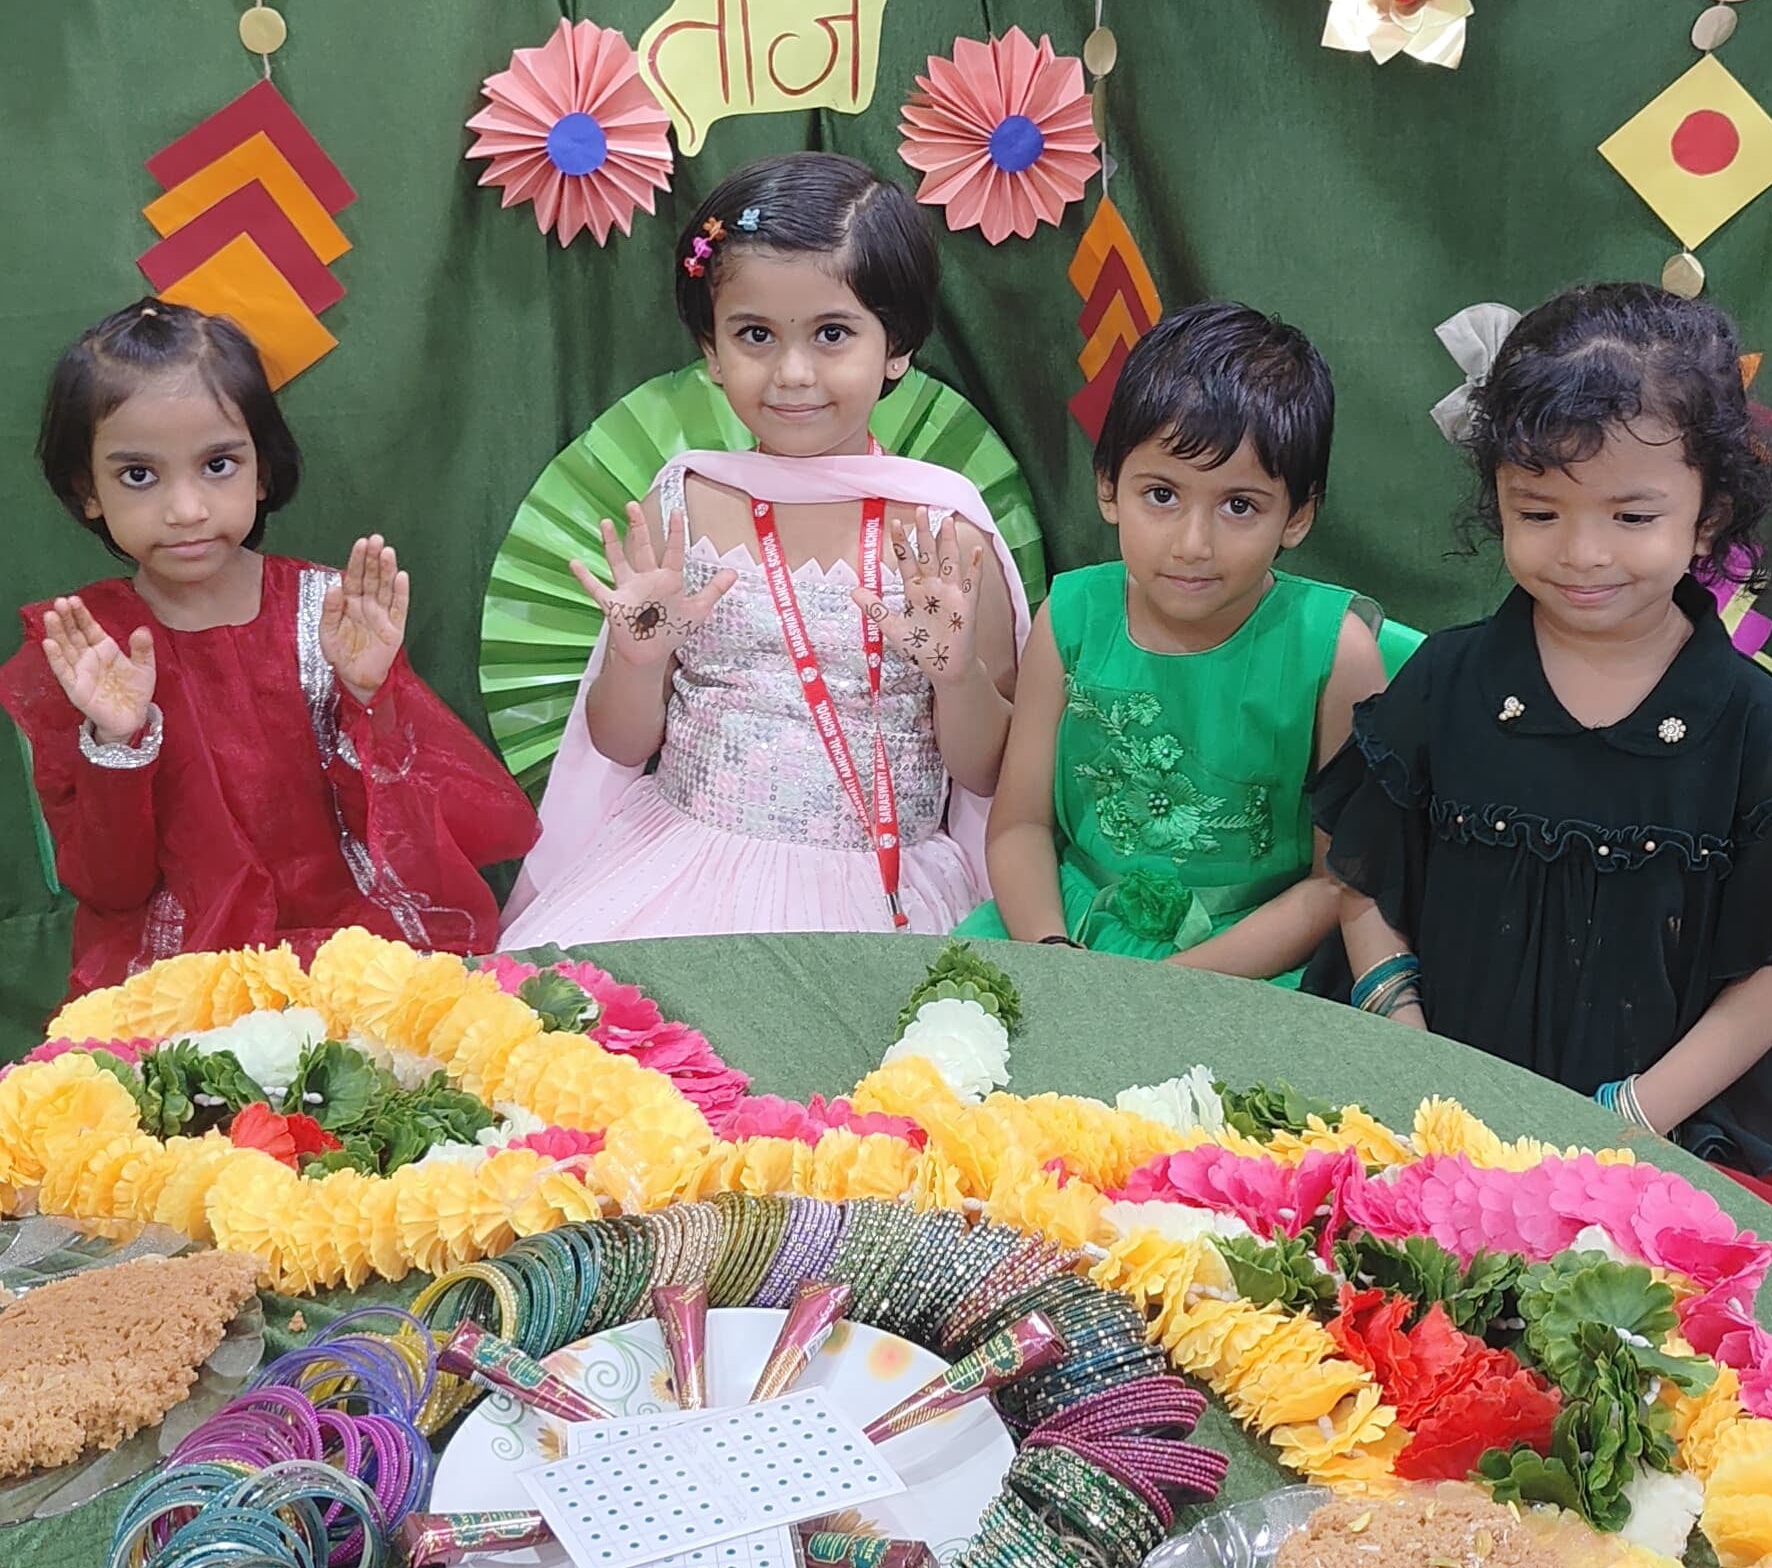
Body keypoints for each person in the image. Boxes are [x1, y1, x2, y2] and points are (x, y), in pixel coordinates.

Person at [1311, 280, 1772, 1204]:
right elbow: (1365, 882)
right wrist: (1407, 1040)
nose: (1583, 554)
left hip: (1664, 1129)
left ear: (1709, 513)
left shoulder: (1757, 725)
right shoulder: (1445, 678)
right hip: (1423, 1101)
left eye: (1632, 517)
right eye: (1540, 512)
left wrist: (1624, 1121)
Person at [503, 154, 1024, 940]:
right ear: (711, 350)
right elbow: (621, 743)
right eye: (755, 335)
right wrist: (636, 659)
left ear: (897, 346)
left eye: (832, 334)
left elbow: (987, 772)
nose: (792, 372)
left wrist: (956, 676)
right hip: (677, 871)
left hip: (885, 890)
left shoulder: (944, 530)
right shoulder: (684, 502)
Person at [1, 302, 536, 996]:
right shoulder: (88, 646)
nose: (187, 509)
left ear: (260, 470)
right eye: (139, 475)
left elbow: (407, 839)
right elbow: (111, 886)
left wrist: (369, 697)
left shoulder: (331, 613)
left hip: (352, 939)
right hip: (184, 964)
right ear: (88, 490)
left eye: (218, 464)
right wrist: (118, 742)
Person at [976, 298, 1385, 967]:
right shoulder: (1071, 616)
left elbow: (1335, 881)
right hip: (1067, 934)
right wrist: (1053, 954)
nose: (1193, 544)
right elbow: (1020, 825)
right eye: (1162, 495)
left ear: (1298, 516)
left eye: (1239, 505)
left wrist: (1169, 990)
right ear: (1109, 487)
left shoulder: (1339, 654)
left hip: (1251, 963)